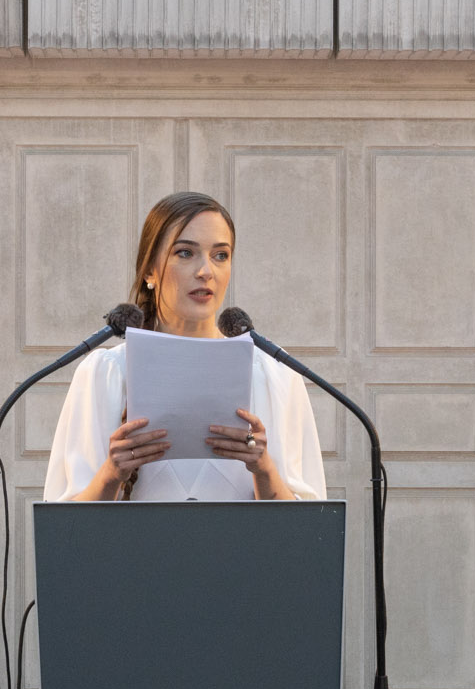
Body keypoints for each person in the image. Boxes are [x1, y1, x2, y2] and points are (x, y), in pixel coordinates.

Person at [45, 190, 326, 504]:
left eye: (220, 255)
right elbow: (67, 532)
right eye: (185, 253)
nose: (206, 271)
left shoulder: (275, 375)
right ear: (150, 270)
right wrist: (112, 472)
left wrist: (263, 469)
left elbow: (308, 533)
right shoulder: (106, 374)